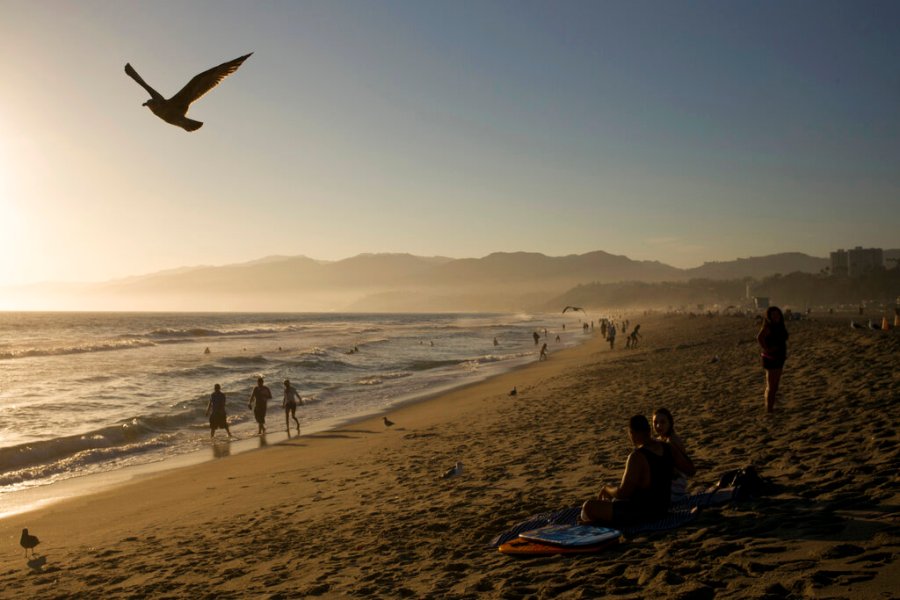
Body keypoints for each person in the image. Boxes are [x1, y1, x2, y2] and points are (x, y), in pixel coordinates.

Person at [580, 415, 695, 527]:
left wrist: (607, 489)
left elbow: (624, 493)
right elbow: (691, 470)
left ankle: (596, 524)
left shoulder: (637, 456)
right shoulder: (668, 447)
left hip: (640, 514)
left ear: (632, 433)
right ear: (649, 430)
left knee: (588, 507)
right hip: (662, 509)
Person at [652, 408, 694, 502]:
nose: (658, 426)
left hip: (675, 486)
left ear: (670, 423)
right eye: (655, 422)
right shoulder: (659, 440)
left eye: (662, 422)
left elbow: (678, 470)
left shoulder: (672, 440)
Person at [757, 306, 789, 413]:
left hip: (780, 357)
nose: (776, 316)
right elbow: (759, 338)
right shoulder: (768, 327)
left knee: (775, 385)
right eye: (773, 315)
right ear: (769, 316)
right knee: (771, 385)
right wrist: (767, 349)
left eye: (777, 314)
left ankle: (770, 406)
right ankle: (769, 409)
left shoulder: (779, 325)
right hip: (771, 357)